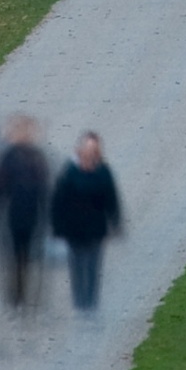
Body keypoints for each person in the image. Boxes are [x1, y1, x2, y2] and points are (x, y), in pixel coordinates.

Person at [50, 134, 123, 312]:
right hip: (73, 229)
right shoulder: (69, 173)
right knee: (76, 265)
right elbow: (58, 202)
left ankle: (91, 302)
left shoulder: (103, 172)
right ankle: (79, 301)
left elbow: (111, 199)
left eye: (94, 150)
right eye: (87, 150)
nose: (91, 154)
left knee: (92, 265)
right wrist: (58, 227)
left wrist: (115, 222)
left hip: (96, 227)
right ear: (79, 151)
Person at [0, 117, 50, 311]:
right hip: (13, 214)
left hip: (32, 214)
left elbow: (44, 187)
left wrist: (48, 211)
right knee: (15, 255)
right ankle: (15, 293)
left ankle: (25, 293)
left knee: (29, 255)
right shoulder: (7, 157)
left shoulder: (36, 157)